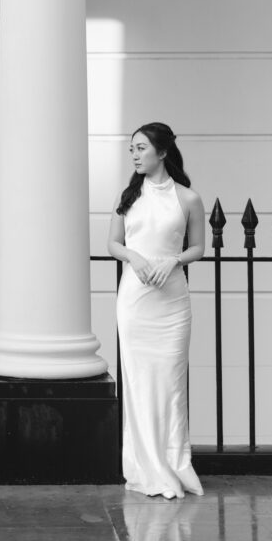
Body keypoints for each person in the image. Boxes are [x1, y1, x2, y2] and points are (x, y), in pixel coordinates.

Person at [108, 122, 205, 499]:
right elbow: (113, 243)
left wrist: (173, 260)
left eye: (141, 148)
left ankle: (174, 465)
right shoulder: (128, 196)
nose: (134, 155)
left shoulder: (188, 198)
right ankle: (145, 467)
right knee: (138, 382)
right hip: (136, 300)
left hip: (172, 302)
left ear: (162, 152)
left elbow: (197, 247)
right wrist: (135, 257)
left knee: (170, 384)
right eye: (131, 149)